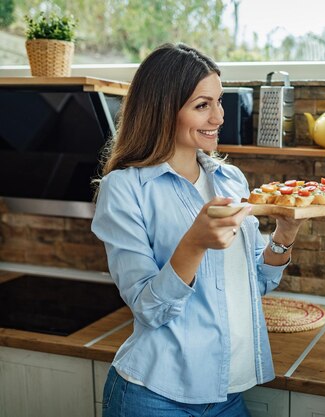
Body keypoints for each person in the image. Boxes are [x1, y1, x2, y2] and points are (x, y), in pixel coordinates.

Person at [91, 43, 305, 417]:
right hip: (154, 397)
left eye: (219, 102)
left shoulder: (230, 179)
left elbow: (252, 284)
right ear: (162, 110)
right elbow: (148, 308)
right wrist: (194, 244)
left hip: (228, 395)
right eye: (202, 105)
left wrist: (283, 237)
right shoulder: (124, 189)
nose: (219, 117)